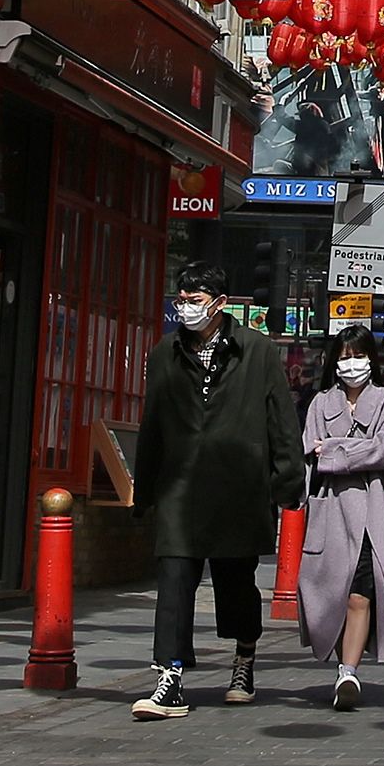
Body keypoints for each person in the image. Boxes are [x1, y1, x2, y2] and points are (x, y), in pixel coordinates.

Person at [127, 269, 297, 720]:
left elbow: (282, 421)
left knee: (236, 583)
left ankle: (244, 658)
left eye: (195, 297)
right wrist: (142, 491)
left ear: (219, 302)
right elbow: (152, 425)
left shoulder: (257, 352)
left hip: (238, 487)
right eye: (180, 297)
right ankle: (169, 676)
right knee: (174, 582)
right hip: (180, 487)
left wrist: (288, 483)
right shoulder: (164, 353)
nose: (186, 305)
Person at [294, 322, 384, 709]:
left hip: (373, 512)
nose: (352, 364)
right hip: (330, 513)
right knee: (329, 595)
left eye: (359, 356)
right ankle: (342, 662)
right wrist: (353, 451)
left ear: (371, 359)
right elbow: (311, 453)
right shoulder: (320, 404)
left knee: (362, 595)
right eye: (344, 357)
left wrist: (336, 452)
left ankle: (348, 672)